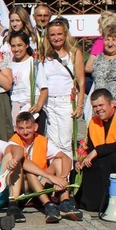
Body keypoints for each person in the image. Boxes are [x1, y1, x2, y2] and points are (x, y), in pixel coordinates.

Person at [9, 112, 80, 223]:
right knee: (30, 172)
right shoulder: (14, 141)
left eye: (28, 127)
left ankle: (65, 202)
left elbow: (66, 158)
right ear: (16, 129)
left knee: (58, 161)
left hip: (41, 182)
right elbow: (23, 162)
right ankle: (48, 205)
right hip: (24, 186)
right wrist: (51, 177)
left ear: (35, 127)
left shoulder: (42, 140)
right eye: (21, 128)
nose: (25, 131)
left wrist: (62, 178)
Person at [42, 17, 85, 157]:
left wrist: (79, 105)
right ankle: (56, 173)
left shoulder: (74, 53)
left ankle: (66, 175)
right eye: (52, 35)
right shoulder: (45, 55)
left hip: (66, 101)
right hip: (49, 102)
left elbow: (81, 81)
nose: (56, 38)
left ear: (65, 34)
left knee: (65, 142)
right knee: (52, 142)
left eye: (59, 34)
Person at [8, 31, 48, 124]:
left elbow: (44, 88)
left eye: (19, 45)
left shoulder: (34, 63)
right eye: (13, 46)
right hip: (15, 104)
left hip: (30, 105)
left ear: (26, 45)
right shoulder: (9, 64)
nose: (16, 49)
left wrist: (38, 105)